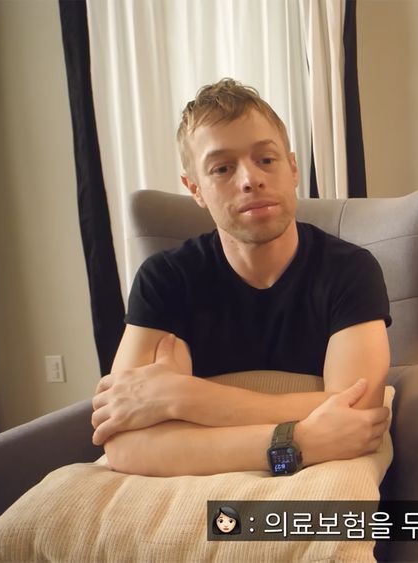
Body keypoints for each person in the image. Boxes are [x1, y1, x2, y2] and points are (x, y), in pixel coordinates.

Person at [89, 78, 392, 477]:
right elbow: (125, 446)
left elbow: (357, 412)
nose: (250, 179)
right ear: (195, 189)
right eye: (222, 168)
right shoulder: (164, 279)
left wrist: (183, 397)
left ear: (293, 168)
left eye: (266, 159)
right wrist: (298, 442)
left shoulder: (350, 270)